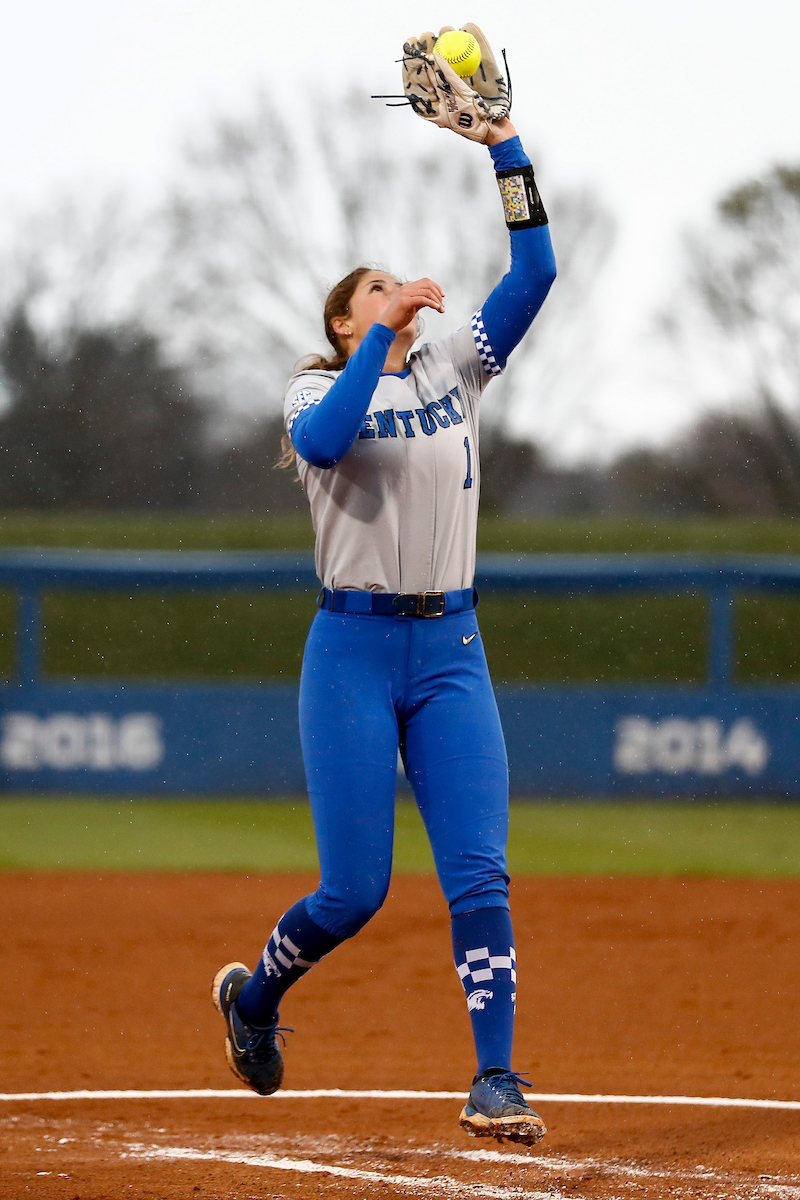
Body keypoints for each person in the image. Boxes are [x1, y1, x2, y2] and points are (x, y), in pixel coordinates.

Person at [213, 26, 557, 1146]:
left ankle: (495, 1079)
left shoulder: (456, 367)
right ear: (340, 320)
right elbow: (324, 442)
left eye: (393, 283)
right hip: (352, 653)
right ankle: (254, 1000)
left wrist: (503, 146)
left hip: (450, 649)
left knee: (479, 873)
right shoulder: (312, 388)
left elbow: (535, 275)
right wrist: (382, 331)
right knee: (355, 891)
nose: (393, 289)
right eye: (369, 288)